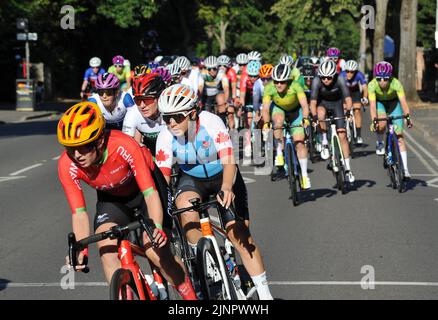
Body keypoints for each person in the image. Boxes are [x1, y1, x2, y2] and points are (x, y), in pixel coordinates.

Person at [58, 101, 197, 300]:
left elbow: (150, 193)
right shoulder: (67, 164)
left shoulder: (123, 145)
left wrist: (156, 227)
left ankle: (191, 298)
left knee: (155, 251)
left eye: (82, 147)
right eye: (70, 148)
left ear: (98, 141)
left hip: (146, 191)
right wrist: (81, 249)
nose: (76, 155)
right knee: (106, 248)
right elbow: (79, 212)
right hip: (112, 198)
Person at [155, 84, 274, 300]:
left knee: (240, 235)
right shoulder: (165, 136)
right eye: (166, 118)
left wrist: (227, 187)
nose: (171, 123)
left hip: (222, 175)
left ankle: (265, 296)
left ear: (192, 113)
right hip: (192, 179)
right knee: (185, 212)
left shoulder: (211, 122)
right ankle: (205, 264)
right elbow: (162, 179)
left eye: (176, 117)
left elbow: (229, 162)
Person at [262, 64, 312, 187]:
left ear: (288, 81)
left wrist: (305, 118)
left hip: (296, 111)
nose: (279, 84)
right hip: (279, 109)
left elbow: (305, 106)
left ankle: (305, 176)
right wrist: (266, 123)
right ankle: (279, 153)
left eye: (282, 82)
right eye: (276, 81)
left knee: (299, 142)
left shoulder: (296, 86)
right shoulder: (269, 88)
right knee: (278, 121)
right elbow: (265, 109)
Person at [310, 59, 355, 183]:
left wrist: (348, 112)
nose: (326, 80)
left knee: (342, 136)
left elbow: (348, 98)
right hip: (322, 104)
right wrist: (314, 117)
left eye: (329, 77)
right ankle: (324, 142)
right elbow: (313, 102)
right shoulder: (316, 81)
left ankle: (348, 168)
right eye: (323, 77)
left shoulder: (340, 79)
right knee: (320, 114)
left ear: (334, 75)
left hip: (337, 104)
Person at [368, 61, 413, 179]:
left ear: (390, 77)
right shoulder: (372, 85)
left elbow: (403, 103)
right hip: (380, 104)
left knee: (399, 136)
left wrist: (408, 117)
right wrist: (374, 120)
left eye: (385, 78)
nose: (382, 82)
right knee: (381, 124)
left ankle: (405, 169)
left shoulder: (396, 83)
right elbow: (372, 106)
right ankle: (380, 142)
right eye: (379, 79)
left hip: (394, 104)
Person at [122, 73, 166, 155]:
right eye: (138, 100)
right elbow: (126, 148)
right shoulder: (132, 113)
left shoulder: (170, 109)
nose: (142, 105)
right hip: (149, 148)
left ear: (160, 98)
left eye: (147, 99)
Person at [339, 60, 368, 144]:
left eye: (352, 72)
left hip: (355, 93)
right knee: (344, 109)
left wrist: (365, 98)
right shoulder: (341, 75)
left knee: (357, 110)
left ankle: (358, 135)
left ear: (355, 72)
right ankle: (345, 128)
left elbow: (365, 88)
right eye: (347, 71)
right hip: (345, 93)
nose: (349, 74)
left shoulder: (359, 75)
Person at [239, 60, 262, 158]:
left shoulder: (261, 81)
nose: (252, 78)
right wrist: (242, 107)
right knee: (248, 118)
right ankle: (248, 143)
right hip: (249, 97)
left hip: (259, 98)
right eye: (250, 76)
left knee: (261, 119)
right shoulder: (244, 78)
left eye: (255, 76)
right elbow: (242, 95)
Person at [198, 56, 230, 124]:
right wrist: (199, 100)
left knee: (221, 100)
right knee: (206, 112)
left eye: (214, 69)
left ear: (217, 67)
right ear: (206, 68)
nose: (212, 71)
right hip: (206, 94)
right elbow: (200, 88)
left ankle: (223, 123)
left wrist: (226, 101)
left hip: (217, 93)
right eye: (209, 69)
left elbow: (226, 88)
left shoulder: (221, 73)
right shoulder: (203, 74)